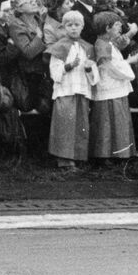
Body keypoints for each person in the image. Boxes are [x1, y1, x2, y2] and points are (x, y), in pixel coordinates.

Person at [47, 11, 97, 169]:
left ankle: (77, 157)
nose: (73, 28)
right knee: (65, 124)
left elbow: (94, 76)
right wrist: (69, 66)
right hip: (66, 90)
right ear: (64, 27)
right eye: (69, 25)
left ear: (82, 26)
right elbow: (54, 71)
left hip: (81, 90)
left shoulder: (87, 47)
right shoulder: (60, 46)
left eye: (77, 25)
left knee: (80, 123)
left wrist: (89, 69)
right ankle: (63, 159)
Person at [90, 12, 138, 163]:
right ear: (107, 28)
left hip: (115, 88)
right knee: (109, 122)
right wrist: (129, 62)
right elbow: (110, 68)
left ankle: (117, 154)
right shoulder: (102, 46)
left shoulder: (107, 43)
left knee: (116, 121)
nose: (120, 29)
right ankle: (106, 156)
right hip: (109, 88)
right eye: (117, 26)